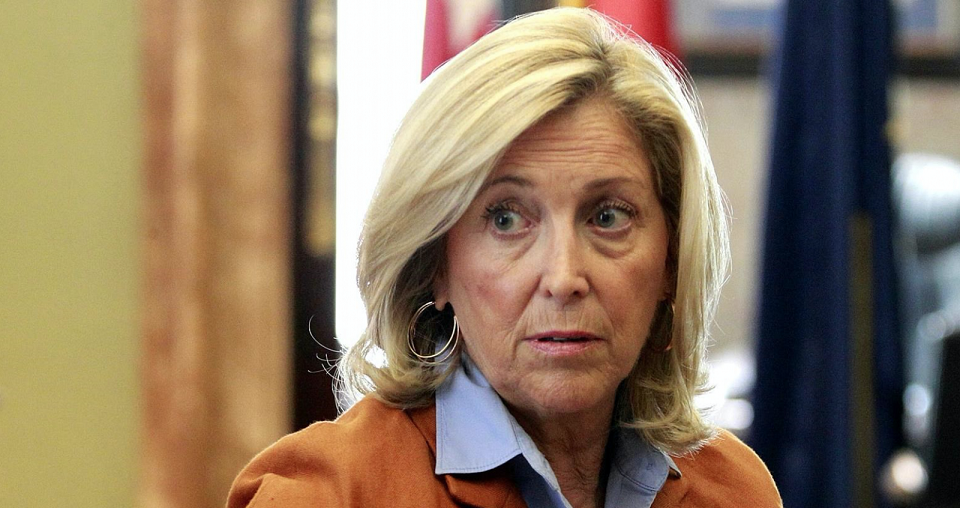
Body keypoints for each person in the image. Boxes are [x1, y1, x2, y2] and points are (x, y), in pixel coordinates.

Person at [227, 7, 781, 508]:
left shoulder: (733, 491)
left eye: (608, 216)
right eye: (506, 220)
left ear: (671, 259)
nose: (563, 277)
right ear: (435, 263)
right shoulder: (326, 494)